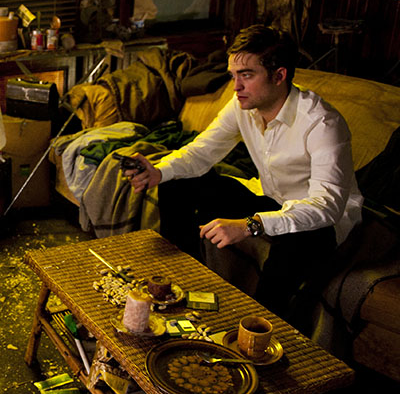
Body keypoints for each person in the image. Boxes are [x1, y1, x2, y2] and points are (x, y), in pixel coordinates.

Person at [123, 25, 363, 326]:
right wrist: (158, 171)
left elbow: (326, 207)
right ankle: (181, 285)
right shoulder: (243, 106)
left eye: (247, 75)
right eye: (233, 75)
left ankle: (260, 329)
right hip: (270, 198)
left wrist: (251, 225)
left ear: (279, 75)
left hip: (319, 222)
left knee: (294, 244)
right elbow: (202, 152)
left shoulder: (322, 123)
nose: (236, 86)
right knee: (176, 184)